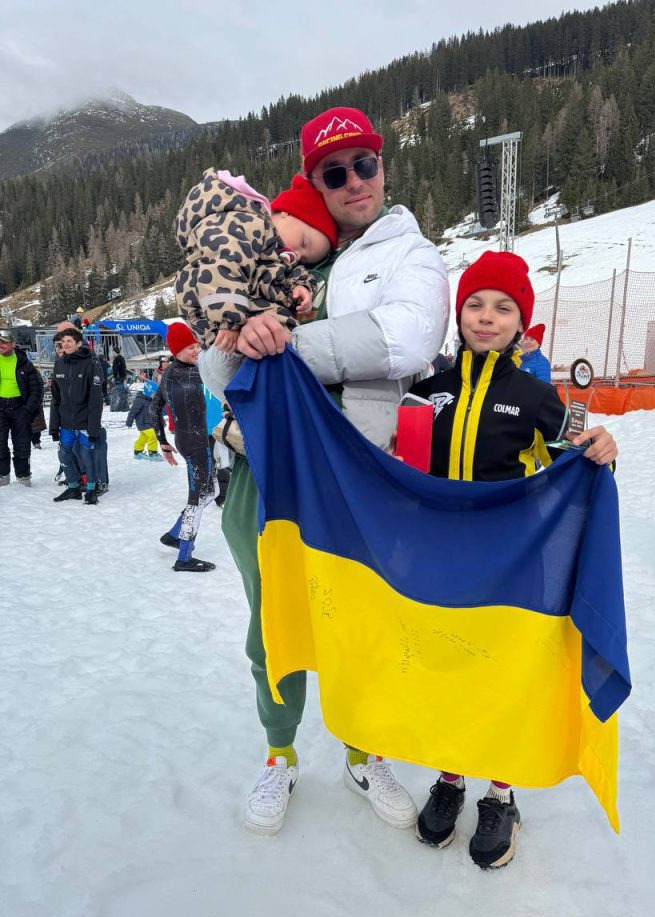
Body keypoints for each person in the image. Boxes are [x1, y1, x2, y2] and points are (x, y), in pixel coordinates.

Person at [198, 105, 450, 836]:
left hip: (355, 477)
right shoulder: (271, 249)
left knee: (360, 622)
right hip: (265, 475)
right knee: (272, 624)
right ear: (313, 182)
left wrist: (281, 344)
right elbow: (216, 367)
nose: (353, 182)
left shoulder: (409, 252)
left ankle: (363, 752)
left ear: (382, 165)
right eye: (334, 173)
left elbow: (405, 338)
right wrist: (236, 337)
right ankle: (279, 755)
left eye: (364, 164)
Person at [407, 251, 617, 868]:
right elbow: (401, 471)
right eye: (474, 304)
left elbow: (577, 462)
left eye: (502, 308)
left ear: (520, 322)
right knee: (447, 672)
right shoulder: (427, 392)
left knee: (500, 678)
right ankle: (450, 776)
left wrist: (601, 447)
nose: (486, 317)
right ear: (458, 315)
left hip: (511, 569)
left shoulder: (536, 396)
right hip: (439, 563)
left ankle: (500, 794)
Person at [175, 171, 337, 349]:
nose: (297, 255)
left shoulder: (274, 250)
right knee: (279, 342)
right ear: (287, 213)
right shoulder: (247, 223)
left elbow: (281, 272)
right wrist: (229, 321)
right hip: (221, 311)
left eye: (304, 259)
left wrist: (301, 286)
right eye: (303, 242)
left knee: (281, 340)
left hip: (235, 311)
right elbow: (224, 262)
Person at [151, 322, 218, 572]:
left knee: (211, 491)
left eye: (196, 345)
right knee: (197, 499)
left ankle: (173, 535)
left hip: (186, 439)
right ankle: (184, 558)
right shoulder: (190, 373)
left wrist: (163, 442)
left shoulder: (170, 372)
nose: (196, 350)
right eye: (190, 347)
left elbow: (154, 408)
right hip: (196, 442)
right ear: (177, 351)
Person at [49, 325, 104, 505]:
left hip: (85, 421)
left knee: (86, 455)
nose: (65, 344)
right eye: (63, 341)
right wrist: (54, 426)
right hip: (66, 422)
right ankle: (73, 487)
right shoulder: (59, 363)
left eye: (69, 341)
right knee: (64, 455)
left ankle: (91, 490)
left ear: (79, 343)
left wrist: (93, 427)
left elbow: (96, 400)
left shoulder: (91, 363)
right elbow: (56, 398)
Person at [0, 331, 41, 486]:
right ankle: (2, 474)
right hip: (1, 407)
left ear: (13, 344)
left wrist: (27, 410)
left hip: (20, 408)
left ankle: (23, 475)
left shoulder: (25, 363)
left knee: (22, 444)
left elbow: (36, 389)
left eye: (4, 342)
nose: (0, 345)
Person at [126, 380, 162, 460]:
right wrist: (129, 422)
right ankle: (153, 453)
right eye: (154, 394)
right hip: (142, 423)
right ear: (149, 392)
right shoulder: (139, 400)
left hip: (149, 423)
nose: (155, 396)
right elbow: (133, 412)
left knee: (143, 438)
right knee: (153, 436)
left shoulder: (151, 401)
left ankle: (138, 452)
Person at [111, 346, 129, 412]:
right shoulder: (122, 358)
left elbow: (116, 369)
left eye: (112, 352)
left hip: (118, 377)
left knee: (119, 393)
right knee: (123, 392)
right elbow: (124, 368)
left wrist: (114, 377)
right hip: (123, 376)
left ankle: (120, 407)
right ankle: (125, 406)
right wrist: (125, 377)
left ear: (114, 352)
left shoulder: (116, 359)